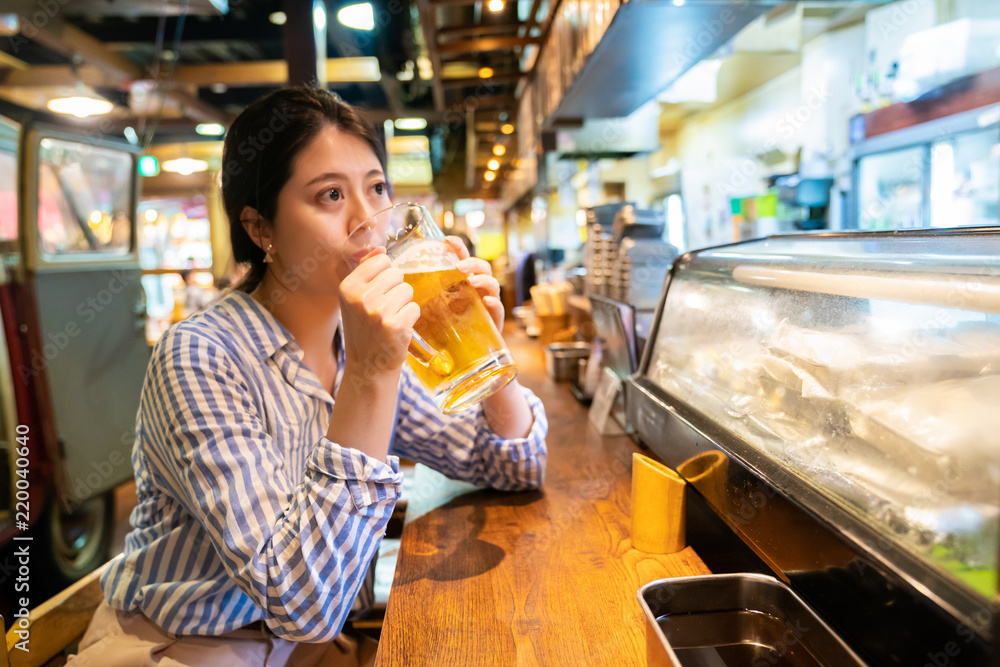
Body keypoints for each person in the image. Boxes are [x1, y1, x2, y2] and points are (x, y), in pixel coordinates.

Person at [67, 87, 548, 667]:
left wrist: (489, 360)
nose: (369, 222)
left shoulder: (355, 342)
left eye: (376, 188)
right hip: (187, 649)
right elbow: (301, 601)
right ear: (261, 227)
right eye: (329, 195)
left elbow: (515, 467)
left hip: (306, 647)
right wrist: (370, 376)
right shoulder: (200, 356)